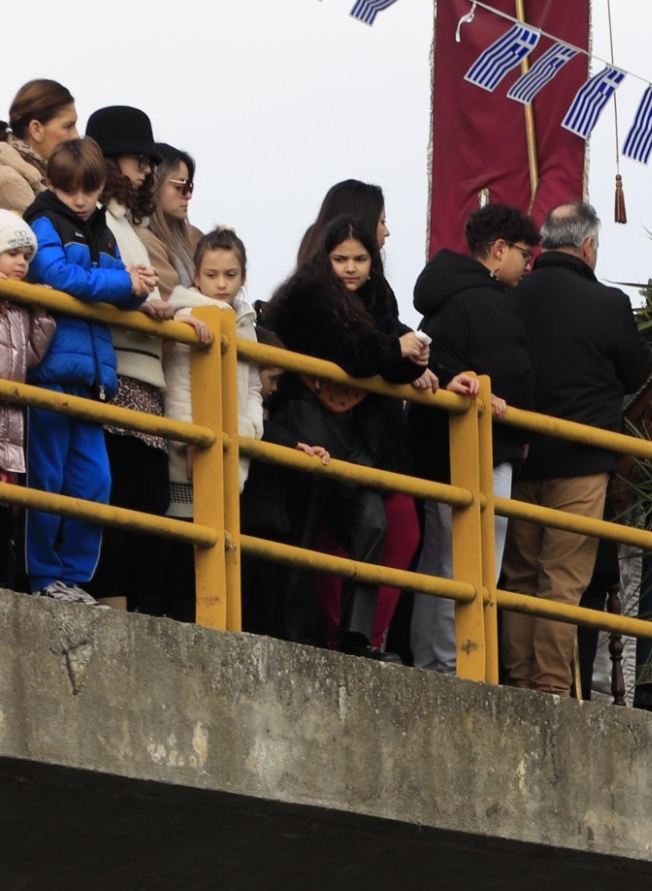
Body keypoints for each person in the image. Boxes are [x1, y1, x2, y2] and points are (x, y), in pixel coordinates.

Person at [259, 216, 436, 654]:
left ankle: (356, 638)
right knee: (303, 535)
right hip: (303, 423)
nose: (352, 268)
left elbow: (383, 361)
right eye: (341, 259)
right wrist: (396, 348)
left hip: (353, 438)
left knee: (371, 523)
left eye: (360, 259)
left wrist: (416, 360)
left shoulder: (375, 300)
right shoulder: (306, 295)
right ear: (325, 258)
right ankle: (297, 635)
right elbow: (351, 353)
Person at [502, 201, 652, 693]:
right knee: (562, 583)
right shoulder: (607, 304)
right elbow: (636, 372)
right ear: (589, 246)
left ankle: (518, 681)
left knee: (520, 576)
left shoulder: (513, 296)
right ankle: (550, 689)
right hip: (581, 464)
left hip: (519, 457)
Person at [408, 200, 538, 674]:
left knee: (439, 558)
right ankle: (455, 665)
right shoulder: (492, 304)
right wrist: (523, 426)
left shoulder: (442, 298)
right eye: (525, 253)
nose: (528, 264)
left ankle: (433, 658)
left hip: (432, 447)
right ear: (499, 249)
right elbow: (515, 377)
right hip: (483, 449)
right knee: (477, 561)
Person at [22, 138, 153, 598]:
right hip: (51, 372)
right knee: (48, 482)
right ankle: (43, 577)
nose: (80, 200)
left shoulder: (103, 229)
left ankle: (74, 579)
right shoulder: (41, 220)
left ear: (101, 187)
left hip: (94, 379)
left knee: (95, 482)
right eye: (69, 190)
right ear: (51, 184)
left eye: (89, 191)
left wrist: (139, 290)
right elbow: (59, 276)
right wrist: (124, 281)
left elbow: (119, 284)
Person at [82, 105, 180, 613]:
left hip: (148, 380)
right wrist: (143, 299)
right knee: (118, 505)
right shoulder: (95, 218)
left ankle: (135, 615)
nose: (145, 171)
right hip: (116, 374)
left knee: (147, 507)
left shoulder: (130, 225)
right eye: (138, 159)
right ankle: (114, 612)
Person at [159, 229, 265, 617]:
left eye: (230, 275)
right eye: (212, 274)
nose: (221, 284)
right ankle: (180, 615)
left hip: (232, 444)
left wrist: (251, 428)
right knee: (186, 536)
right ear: (196, 274)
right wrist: (190, 440)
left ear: (243, 275)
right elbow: (179, 386)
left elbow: (253, 386)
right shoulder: (187, 313)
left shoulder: (245, 320)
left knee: (224, 536)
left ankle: (216, 617)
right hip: (194, 444)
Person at [0, 218, 56, 568]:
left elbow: (32, 355)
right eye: (12, 254)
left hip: (12, 426)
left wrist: (41, 313)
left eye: (26, 256)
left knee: (7, 511)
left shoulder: (22, 305)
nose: (22, 262)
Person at [2, 79, 78, 214]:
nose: (76, 136)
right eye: (68, 126)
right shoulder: (10, 183)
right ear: (36, 130)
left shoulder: (51, 177)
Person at [141, 145, 203, 291]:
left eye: (189, 186)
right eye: (180, 186)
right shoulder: (146, 242)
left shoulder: (192, 237)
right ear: (154, 185)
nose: (188, 195)